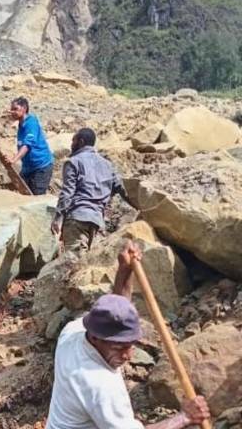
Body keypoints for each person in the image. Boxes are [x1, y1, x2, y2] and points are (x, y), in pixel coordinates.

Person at [46, 242, 211, 429]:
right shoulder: (99, 384)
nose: (128, 355)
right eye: (119, 348)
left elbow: (117, 311)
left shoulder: (72, 332)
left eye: (131, 345)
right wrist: (185, 417)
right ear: (95, 338)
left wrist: (124, 271)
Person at [52, 128, 126, 252]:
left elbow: (67, 193)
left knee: (73, 260)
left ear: (81, 142)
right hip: (97, 222)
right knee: (90, 261)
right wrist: (141, 208)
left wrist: (58, 218)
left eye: (73, 141)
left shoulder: (73, 162)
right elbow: (122, 189)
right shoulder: (107, 165)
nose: (71, 144)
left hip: (77, 218)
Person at [8, 96, 54, 195]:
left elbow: (27, 145)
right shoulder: (21, 124)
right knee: (23, 193)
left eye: (15, 109)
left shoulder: (31, 123)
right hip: (28, 167)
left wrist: (14, 160)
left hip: (41, 166)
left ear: (24, 108)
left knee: (37, 196)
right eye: (11, 109)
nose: (12, 112)